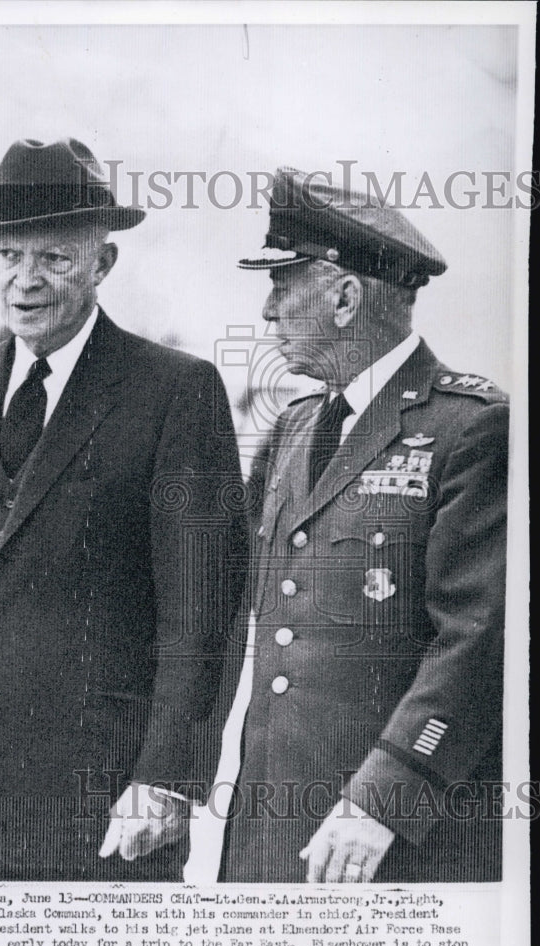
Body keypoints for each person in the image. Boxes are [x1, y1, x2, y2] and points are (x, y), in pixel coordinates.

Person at [0, 138, 247, 881]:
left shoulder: (176, 392)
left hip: (99, 816)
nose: (26, 280)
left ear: (103, 262)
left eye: (54, 258)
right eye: (9, 255)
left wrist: (168, 778)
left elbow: (204, 612)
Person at [219, 167, 508, 883]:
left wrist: (384, 796)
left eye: (281, 284)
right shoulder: (292, 428)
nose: (267, 310)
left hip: (392, 840)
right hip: (270, 830)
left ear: (345, 297)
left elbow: (477, 637)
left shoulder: (471, 428)